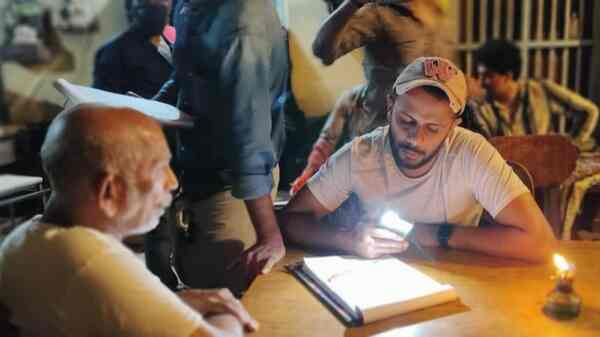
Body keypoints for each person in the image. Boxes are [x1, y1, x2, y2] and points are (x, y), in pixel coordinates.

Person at [0, 104, 258, 337]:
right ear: (109, 191)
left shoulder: (24, 237)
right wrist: (226, 312)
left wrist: (178, 302)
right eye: (159, 168)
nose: (172, 182)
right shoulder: (92, 259)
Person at [280, 57, 556, 263]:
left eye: (432, 128)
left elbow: (541, 242)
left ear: (453, 126)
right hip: (378, 278)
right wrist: (347, 239)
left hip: (460, 278)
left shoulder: (471, 153)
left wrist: (436, 234)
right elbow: (292, 219)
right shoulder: (362, 154)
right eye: (406, 121)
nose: (415, 138)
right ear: (390, 107)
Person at [148, 0, 289, 295]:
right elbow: (187, 75)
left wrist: (268, 233)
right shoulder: (191, 5)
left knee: (226, 300)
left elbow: (248, 135)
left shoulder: (240, 22)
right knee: (198, 282)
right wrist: (148, 107)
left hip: (235, 188)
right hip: (198, 170)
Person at [291, 0, 455, 193]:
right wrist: (352, 3)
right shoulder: (380, 15)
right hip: (382, 150)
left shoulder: (437, 16)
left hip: (430, 149)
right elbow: (323, 51)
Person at [468, 39, 599, 151]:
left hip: (546, 168)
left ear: (508, 75)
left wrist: (571, 146)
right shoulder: (479, 107)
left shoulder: (540, 90)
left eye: (488, 76)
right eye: (480, 75)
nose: (482, 82)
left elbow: (589, 111)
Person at [93, 0, 176, 101]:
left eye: (165, 1)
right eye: (153, 3)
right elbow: (105, 105)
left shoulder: (174, 46)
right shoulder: (113, 52)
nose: (163, 6)